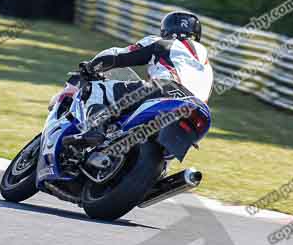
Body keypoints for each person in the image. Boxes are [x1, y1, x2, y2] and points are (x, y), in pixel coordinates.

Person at [65, 11, 214, 148]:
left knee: (97, 88)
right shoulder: (206, 64)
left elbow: (118, 56)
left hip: (167, 89)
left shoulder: (163, 43)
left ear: (166, 30)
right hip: (198, 109)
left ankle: (95, 130)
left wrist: (91, 67)